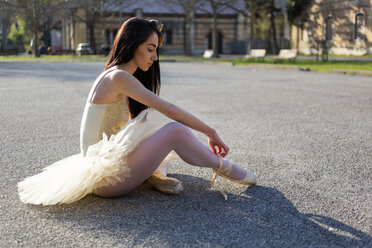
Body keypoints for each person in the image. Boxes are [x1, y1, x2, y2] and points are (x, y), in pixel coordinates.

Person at [18, 17, 257, 206]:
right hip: (106, 179)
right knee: (174, 130)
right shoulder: (118, 77)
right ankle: (224, 167)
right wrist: (211, 131)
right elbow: (170, 109)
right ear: (133, 46)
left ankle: (157, 176)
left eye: (156, 50)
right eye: (150, 49)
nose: (155, 57)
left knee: (155, 124)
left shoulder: (114, 73)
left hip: (107, 167)